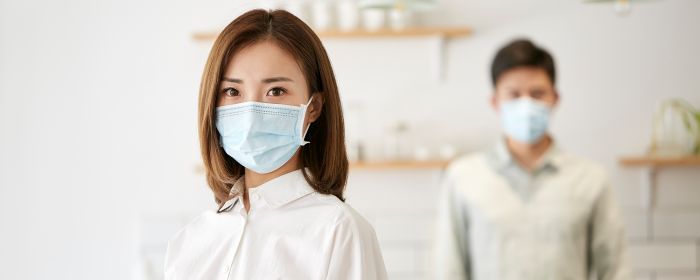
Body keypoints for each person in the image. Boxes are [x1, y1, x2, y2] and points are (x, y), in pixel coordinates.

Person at [164, 9, 387, 280]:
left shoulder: (339, 231)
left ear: (313, 107)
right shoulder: (189, 241)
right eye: (232, 92)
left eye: (275, 91)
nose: (250, 113)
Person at [433, 39, 629, 280]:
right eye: (513, 94)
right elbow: (448, 269)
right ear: (495, 101)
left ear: (555, 98)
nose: (525, 104)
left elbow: (616, 270)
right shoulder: (463, 178)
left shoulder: (591, 179)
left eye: (537, 94)